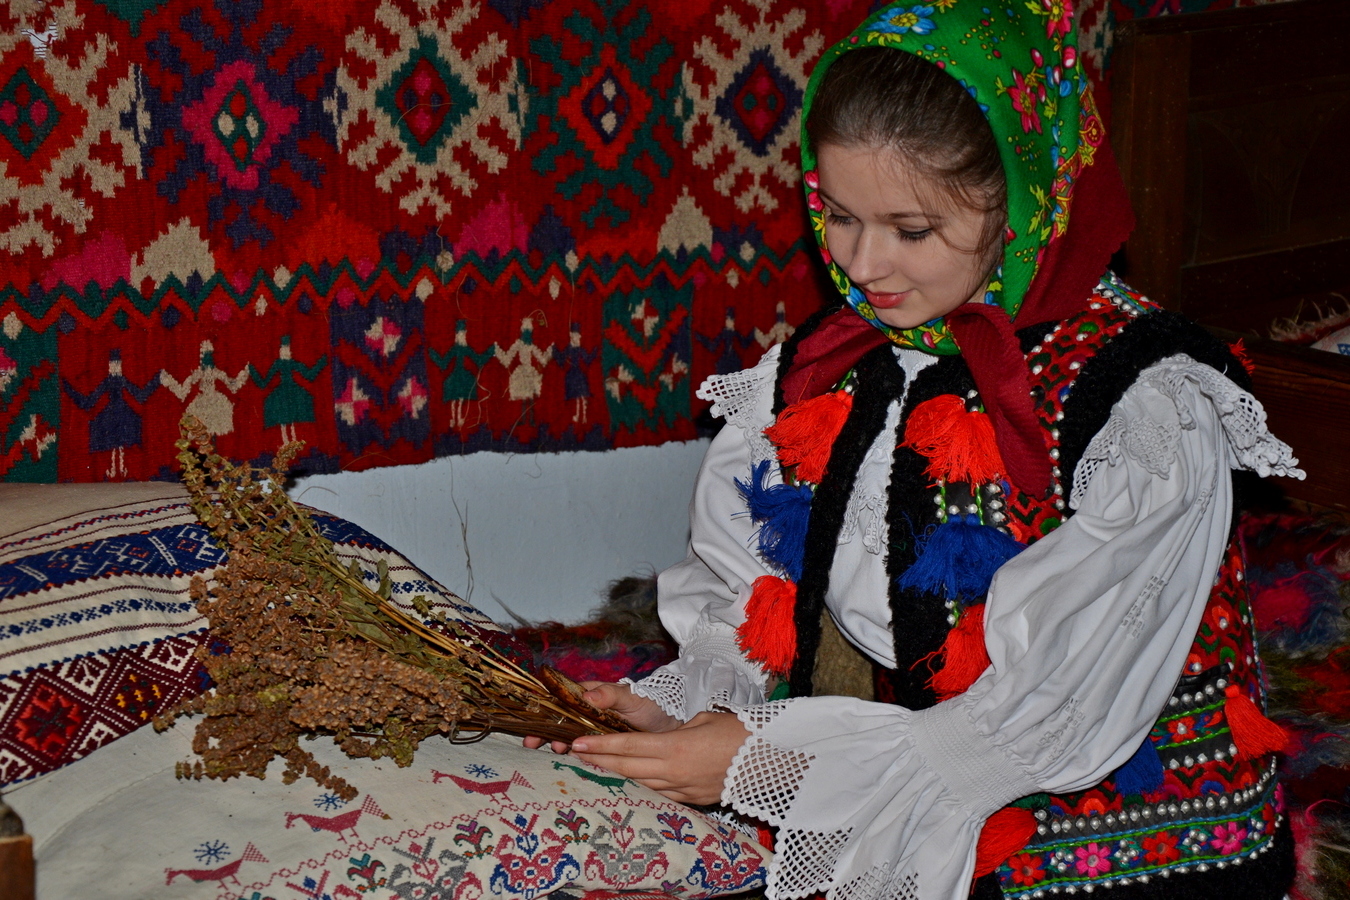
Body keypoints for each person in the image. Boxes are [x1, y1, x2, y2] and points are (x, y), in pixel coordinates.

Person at [526, 3, 1303, 898]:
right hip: (891, 775)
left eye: (912, 231)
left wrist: (768, 765)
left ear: (1024, 198)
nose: (863, 264)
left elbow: (1044, 711)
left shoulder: (1142, 403)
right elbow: (759, 589)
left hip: (1120, 842)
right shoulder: (837, 361)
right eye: (839, 215)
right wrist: (692, 702)